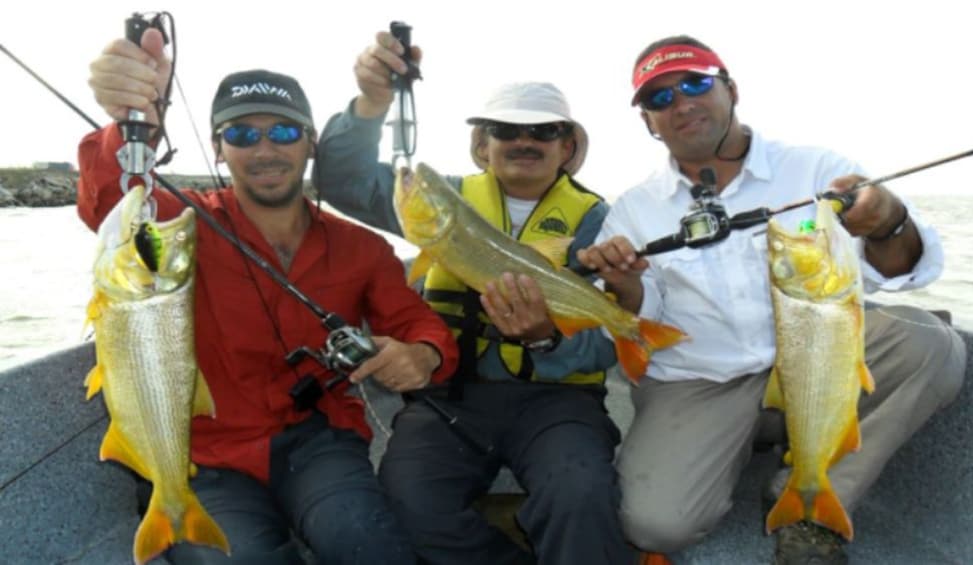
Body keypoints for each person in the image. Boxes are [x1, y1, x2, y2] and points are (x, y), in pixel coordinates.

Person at [577, 36, 967, 564]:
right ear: (648, 121)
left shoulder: (816, 170)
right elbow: (642, 320)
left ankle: (813, 502)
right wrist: (625, 287)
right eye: (660, 99)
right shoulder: (633, 210)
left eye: (695, 83)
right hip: (702, 379)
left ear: (731, 89)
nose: (682, 103)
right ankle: (743, 452)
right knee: (653, 525)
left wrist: (887, 220)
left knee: (932, 345)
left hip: (816, 353)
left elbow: (904, 271)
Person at [79, 27, 459, 565]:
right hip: (203, 456)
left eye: (283, 132)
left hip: (319, 444)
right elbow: (106, 203)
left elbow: (421, 324)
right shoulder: (177, 223)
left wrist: (420, 355)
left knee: (372, 545)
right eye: (241, 134)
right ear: (217, 146)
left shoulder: (362, 248)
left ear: (310, 143)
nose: (264, 150)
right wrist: (132, 118)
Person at [311, 30, 636, 565]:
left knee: (581, 494)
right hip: (450, 397)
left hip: (560, 403)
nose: (523, 141)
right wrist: (370, 105)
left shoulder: (600, 221)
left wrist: (545, 340)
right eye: (505, 130)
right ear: (482, 145)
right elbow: (340, 178)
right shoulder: (441, 203)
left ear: (567, 146)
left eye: (543, 130)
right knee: (403, 499)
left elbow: (603, 349)